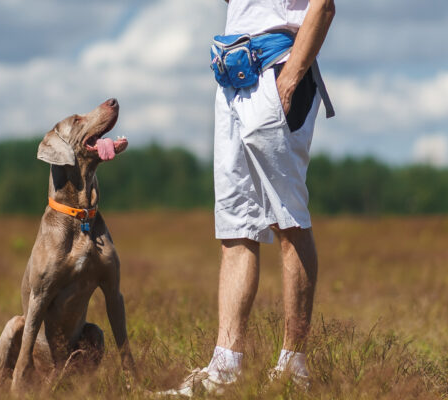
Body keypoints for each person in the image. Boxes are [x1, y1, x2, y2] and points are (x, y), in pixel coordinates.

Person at [164, 0, 335, 396]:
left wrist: (291, 78)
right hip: (232, 74)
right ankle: (225, 369)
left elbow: (323, 6)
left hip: (278, 69)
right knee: (235, 228)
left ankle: (294, 369)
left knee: (288, 220)